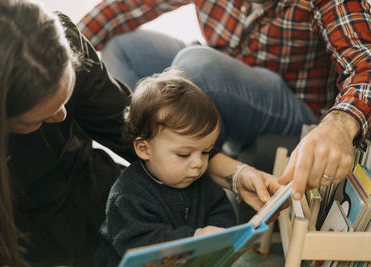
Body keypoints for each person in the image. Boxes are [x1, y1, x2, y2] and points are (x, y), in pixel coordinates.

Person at [0, 0, 285, 266]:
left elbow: (136, 127)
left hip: (84, 186)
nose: (63, 115)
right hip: (14, 226)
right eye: (40, 118)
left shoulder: (58, 42)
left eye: (66, 97)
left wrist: (237, 174)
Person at [78, 0, 370, 200]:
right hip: (225, 71)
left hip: (293, 106)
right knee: (123, 48)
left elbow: (364, 65)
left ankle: (191, 192)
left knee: (196, 66)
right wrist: (60, 55)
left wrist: (340, 125)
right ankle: (159, 162)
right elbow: (124, 7)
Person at [96, 68, 237, 267]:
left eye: (205, 152)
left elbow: (221, 210)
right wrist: (193, 239)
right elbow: (140, 244)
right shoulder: (127, 195)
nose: (198, 163)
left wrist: (217, 231)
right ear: (144, 149)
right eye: (184, 154)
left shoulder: (200, 180)